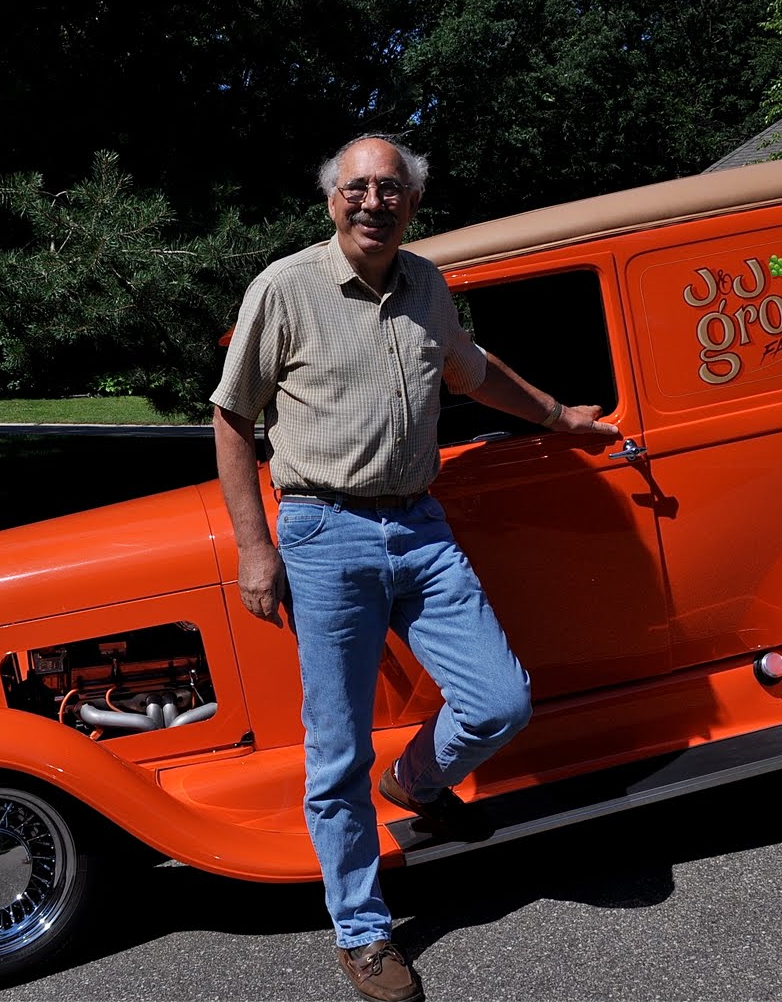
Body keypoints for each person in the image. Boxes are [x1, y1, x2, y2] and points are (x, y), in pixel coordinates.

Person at [210, 135, 618, 1002]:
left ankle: (417, 781)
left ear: (412, 203)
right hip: (325, 536)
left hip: (420, 529)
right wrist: (256, 547)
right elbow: (232, 419)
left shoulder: (427, 284)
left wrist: (556, 417)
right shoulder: (285, 288)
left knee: (500, 700)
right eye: (356, 187)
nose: (372, 201)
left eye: (389, 188)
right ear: (332, 201)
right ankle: (361, 931)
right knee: (336, 751)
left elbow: (470, 371)